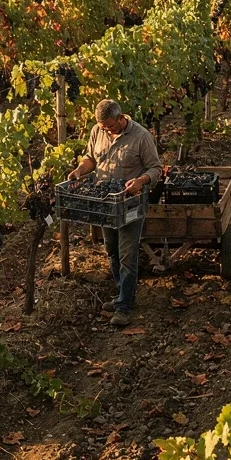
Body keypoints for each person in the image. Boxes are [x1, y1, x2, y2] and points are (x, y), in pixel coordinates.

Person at [68, 99, 162, 327]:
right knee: (111, 250)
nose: (106, 130)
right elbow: (90, 158)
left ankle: (124, 307)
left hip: (130, 203)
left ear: (121, 118)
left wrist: (141, 180)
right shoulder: (97, 131)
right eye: (103, 127)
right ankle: (123, 293)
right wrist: (80, 170)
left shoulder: (141, 136)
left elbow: (156, 169)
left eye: (110, 126)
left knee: (127, 253)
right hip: (106, 203)